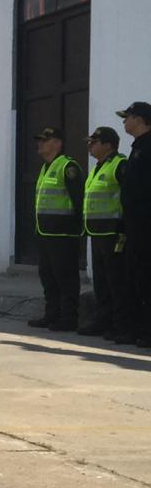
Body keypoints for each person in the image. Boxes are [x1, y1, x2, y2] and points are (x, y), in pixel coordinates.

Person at [78, 127, 133, 340]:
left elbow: (129, 198)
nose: (89, 146)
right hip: (97, 232)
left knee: (116, 281)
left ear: (108, 145)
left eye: (94, 142)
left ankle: (121, 325)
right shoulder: (98, 168)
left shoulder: (120, 165)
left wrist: (126, 230)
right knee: (101, 281)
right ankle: (103, 321)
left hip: (114, 232)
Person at [27, 127, 84, 332]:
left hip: (63, 234)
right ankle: (52, 314)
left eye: (45, 140)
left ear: (57, 144)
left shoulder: (68, 167)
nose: (40, 144)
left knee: (65, 277)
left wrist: (77, 229)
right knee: (48, 276)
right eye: (39, 140)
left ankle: (68, 318)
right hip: (45, 232)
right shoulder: (46, 167)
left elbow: (79, 201)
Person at [118, 102, 151, 347]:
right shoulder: (138, 147)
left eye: (127, 117)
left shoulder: (148, 147)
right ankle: (137, 328)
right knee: (135, 278)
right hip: (135, 225)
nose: (124, 122)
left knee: (146, 278)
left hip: (146, 224)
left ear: (139, 119)